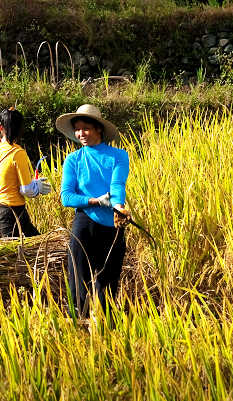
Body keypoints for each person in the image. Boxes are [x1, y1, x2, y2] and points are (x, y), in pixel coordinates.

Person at [57, 104, 130, 317]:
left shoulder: (119, 156)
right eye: (77, 129)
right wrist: (94, 200)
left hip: (113, 224)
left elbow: (117, 185)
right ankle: (79, 327)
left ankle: (105, 329)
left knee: (107, 283)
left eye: (86, 128)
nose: (81, 134)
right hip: (85, 224)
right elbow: (67, 197)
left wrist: (118, 206)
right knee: (79, 282)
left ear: (98, 129)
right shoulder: (74, 160)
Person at [0, 108, 52, 238]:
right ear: (21, 129)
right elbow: (26, 190)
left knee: (35, 241)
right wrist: (37, 187)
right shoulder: (18, 153)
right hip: (12, 212)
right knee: (16, 254)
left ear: (0, 127)